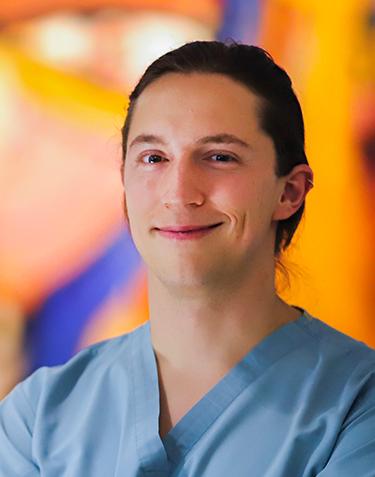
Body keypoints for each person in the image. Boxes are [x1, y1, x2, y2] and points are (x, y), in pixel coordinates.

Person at [0, 40, 374, 477]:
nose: (178, 193)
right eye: (154, 158)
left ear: (289, 191)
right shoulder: (39, 413)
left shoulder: (356, 406)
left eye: (219, 157)